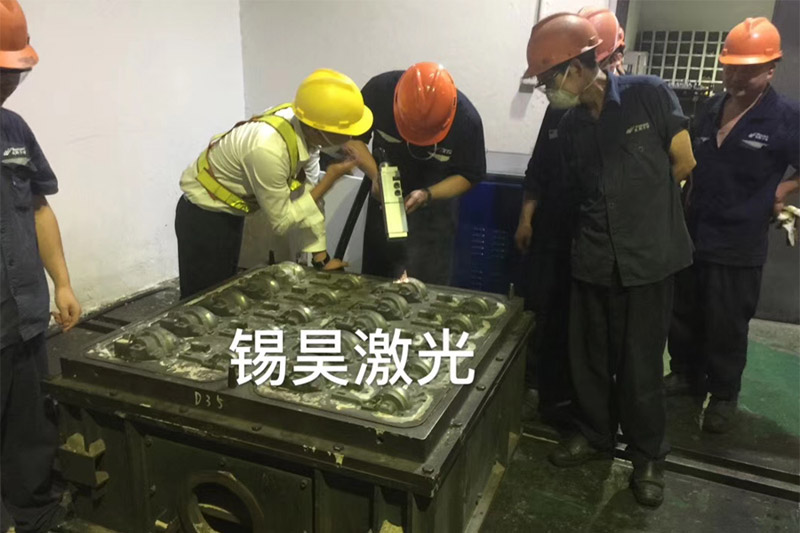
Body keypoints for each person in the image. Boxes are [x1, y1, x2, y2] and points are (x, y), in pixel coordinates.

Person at [524, 13, 696, 507]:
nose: (546, 91)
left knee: (640, 365)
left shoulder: (650, 95)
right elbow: (577, 191)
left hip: (648, 259)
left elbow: (684, 163)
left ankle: (647, 457)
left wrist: (645, 216)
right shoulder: (571, 125)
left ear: (578, 68)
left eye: (548, 79)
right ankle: (595, 434)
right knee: (590, 358)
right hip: (593, 255)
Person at [666, 17, 799, 433]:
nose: (736, 77)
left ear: (771, 69)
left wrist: (785, 188)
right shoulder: (710, 109)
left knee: (726, 323)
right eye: (731, 68)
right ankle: (685, 376)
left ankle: (724, 395)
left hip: (739, 241)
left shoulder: (785, 116)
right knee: (684, 312)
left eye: (748, 70)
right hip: (694, 233)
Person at [515, 7, 627, 428]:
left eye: (548, 80)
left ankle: (581, 410)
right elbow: (538, 170)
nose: (547, 89)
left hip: (596, 240)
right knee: (542, 311)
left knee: (587, 328)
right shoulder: (560, 109)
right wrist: (526, 219)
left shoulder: (629, 104)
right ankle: (540, 391)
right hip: (552, 232)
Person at [175, 68, 374, 298]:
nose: (351, 139)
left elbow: (310, 198)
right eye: (346, 133)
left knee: (223, 292)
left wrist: (321, 258)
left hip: (230, 214)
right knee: (200, 301)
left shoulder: (306, 133)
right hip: (204, 216)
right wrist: (329, 181)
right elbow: (282, 221)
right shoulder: (268, 149)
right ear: (318, 129)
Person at [0, 0, 82, 531]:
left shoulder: (13, 130)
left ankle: (35, 514)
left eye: (15, 72)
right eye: (2, 72)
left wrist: (63, 283)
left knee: (30, 429)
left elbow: (37, 207)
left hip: (24, 313)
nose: (9, 83)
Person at [348, 62, 486, 285]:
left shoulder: (467, 121)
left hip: (434, 210)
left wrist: (427, 194)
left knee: (428, 286)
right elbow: (352, 140)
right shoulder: (379, 92)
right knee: (375, 281)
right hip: (384, 199)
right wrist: (376, 175)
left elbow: (470, 175)